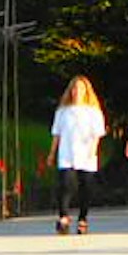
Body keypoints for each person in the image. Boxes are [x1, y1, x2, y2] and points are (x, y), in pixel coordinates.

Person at [47, 75, 106, 234]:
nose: (77, 91)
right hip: (67, 153)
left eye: (80, 88)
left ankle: (83, 218)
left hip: (86, 154)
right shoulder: (62, 111)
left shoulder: (93, 112)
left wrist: (93, 150)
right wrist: (52, 153)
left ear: (86, 91)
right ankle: (63, 217)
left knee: (86, 188)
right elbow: (56, 133)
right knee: (66, 185)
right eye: (74, 88)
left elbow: (97, 134)